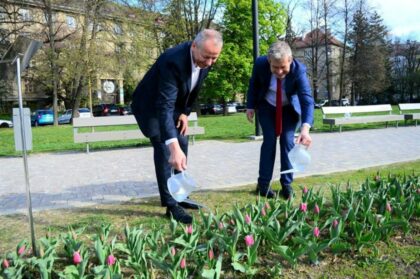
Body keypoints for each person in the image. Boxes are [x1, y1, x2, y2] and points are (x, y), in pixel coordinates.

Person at [131, 29, 223, 224]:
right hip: (150, 106)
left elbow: (191, 89)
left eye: (214, 58)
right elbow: (163, 107)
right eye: (206, 57)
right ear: (194, 46)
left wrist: (184, 113)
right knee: (166, 148)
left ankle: (181, 195)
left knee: (182, 140)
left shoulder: (206, 58)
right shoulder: (172, 61)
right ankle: (171, 205)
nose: (209, 63)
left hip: (172, 105)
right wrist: (172, 147)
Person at [246, 41, 314, 199]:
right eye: (275, 67)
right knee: (269, 141)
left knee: (287, 141)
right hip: (267, 106)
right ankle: (263, 185)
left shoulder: (299, 71)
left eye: (283, 67)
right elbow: (253, 84)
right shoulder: (260, 64)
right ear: (269, 61)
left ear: (290, 59)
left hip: (289, 108)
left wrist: (305, 128)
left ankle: (287, 185)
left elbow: (307, 100)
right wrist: (250, 106)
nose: (279, 71)